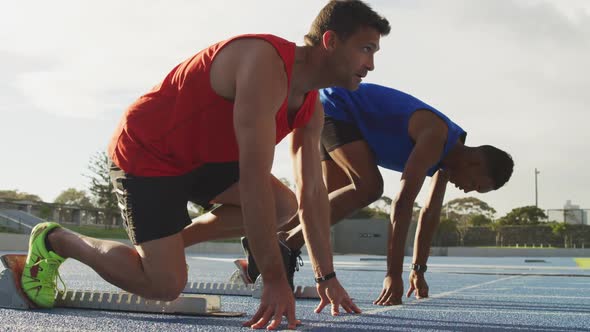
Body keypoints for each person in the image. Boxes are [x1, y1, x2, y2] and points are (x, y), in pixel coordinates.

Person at [20, 1, 390, 329]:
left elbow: (312, 195)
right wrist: (275, 278)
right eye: (366, 49)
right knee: (163, 285)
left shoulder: (312, 109)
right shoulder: (264, 64)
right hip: (150, 150)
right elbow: (253, 180)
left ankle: (170, 244)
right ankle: (56, 240)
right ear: (330, 41)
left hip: (204, 159)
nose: (370, 64)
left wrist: (327, 275)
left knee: (285, 205)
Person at [241, 83, 514, 307]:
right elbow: (404, 203)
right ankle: (286, 242)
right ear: (476, 163)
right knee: (370, 187)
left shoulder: (447, 160)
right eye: (476, 186)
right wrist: (393, 276)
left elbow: (429, 213)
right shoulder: (437, 137)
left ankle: (264, 242)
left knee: (334, 200)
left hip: (343, 117)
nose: (467, 190)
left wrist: (418, 270)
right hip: (337, 106)